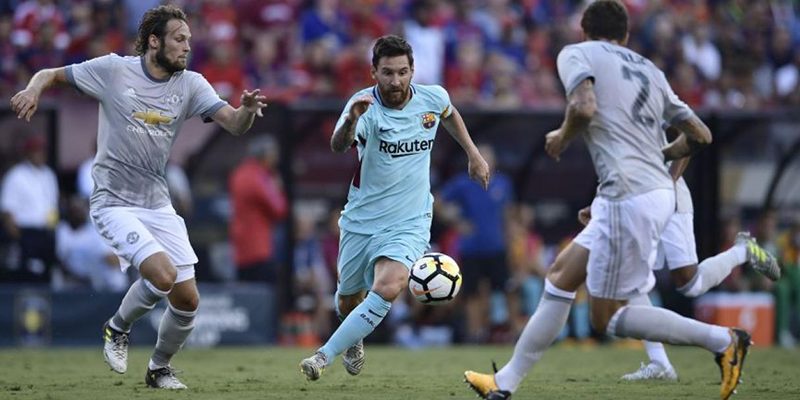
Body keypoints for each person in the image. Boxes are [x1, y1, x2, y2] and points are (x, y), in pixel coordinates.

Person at [463, 2, 766, 399]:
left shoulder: (577, 53)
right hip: (648, 191)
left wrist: (562, 137)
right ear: (625, 35)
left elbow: (583, 106)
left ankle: (723, 341)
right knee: (561, 275)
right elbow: (700, 134)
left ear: (584, 30)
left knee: (608, 317)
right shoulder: (650, 70)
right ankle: (504, 383)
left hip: (629, 195)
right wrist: (657, 158)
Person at [9, 5, 267, 389]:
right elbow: (51, 73)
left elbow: (233, 123)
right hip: (113, 201)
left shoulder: (191, 84)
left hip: (157, 203)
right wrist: (33, 88)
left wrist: (245, 111)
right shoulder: (114, 70)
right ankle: (117, 327)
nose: (187, 47)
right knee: (162, 275)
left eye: (189, 40)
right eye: (179, 39)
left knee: (188, 300)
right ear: (154, 41)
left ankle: (159, 368)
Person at [299, 34, 490, 381]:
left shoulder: (432, 97)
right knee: (347, 301)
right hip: (362, 220)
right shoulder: (363, 105)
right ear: (374, 72)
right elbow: (338, 145)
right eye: (387, 73)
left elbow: (449, 113)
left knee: (390, 285)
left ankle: (322, 356)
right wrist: (351, 120)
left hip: (410, 220)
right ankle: (354, 338)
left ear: (412, 70)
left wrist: (473, 154)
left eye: (402, 72)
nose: (396, 81)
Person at [612, 125, 780, 381]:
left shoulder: (649, 101)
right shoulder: (608, 111)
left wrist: (668, 184)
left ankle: (742, 251)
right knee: (630, 278)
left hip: (667, 196)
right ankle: (660, 363)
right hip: (636, 197)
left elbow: (690, 134)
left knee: (691, 284)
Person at [438, 143, 514, 342]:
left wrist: (510, 240)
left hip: (497, 246)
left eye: (488, 157)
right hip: (471, 248)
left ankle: (510, 333)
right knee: (472, 293)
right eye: (482, 156)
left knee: (506, 289)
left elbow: (507, 214)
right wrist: (456, 222)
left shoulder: (503, 184)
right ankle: (475, 335)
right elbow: (438, 202)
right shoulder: (463, 183)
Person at [228, 135, 288, 282]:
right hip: (259, 248)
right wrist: (278, 189)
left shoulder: (239, 173)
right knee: (263, 291)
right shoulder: (259, 177)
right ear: (266, 155)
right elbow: (279, 209)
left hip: (241, 248)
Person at [0, 134, 59, 283]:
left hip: (46, 232)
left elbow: (52, 206)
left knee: (46, 275)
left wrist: (52, 230)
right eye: (36, 151)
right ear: (28, 153)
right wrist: (18, 239)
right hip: (25, 233)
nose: (40, 154)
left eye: (42, 150)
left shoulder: (49, 175)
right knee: (26, 275)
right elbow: (7, 211)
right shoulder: (16, 175)